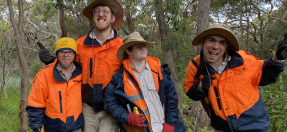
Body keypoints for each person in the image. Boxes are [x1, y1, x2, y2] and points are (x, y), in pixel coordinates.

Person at [183, 24, 287, 132]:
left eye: (222, 43)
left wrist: (278, 58)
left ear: (227, 46)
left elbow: (266, 76)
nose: (215, 46)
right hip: (223, 127)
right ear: (203, 42)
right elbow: (190, 92)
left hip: (254, 125)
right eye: (211, 40)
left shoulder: (243, 60)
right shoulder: (195, 65)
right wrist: (200, 88)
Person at [104, 32, 186, 132]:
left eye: (145, 46)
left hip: (165, 127)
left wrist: (170, 123)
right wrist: (127, 117)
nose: (143, 48)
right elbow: (109, 103)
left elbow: (172, 98)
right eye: (139, 46)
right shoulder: (119, 78)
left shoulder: (158, 71)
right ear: (128, 51)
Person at [26, 37, 83, 132]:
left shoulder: (82, 73)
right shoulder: (44, 74)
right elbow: (36, 102)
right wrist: (36, 125)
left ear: (75, 54)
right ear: (56, 54)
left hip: (76, 127)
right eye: (62, 52)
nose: (66, 55)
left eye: (70, 52)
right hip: (52, 127)